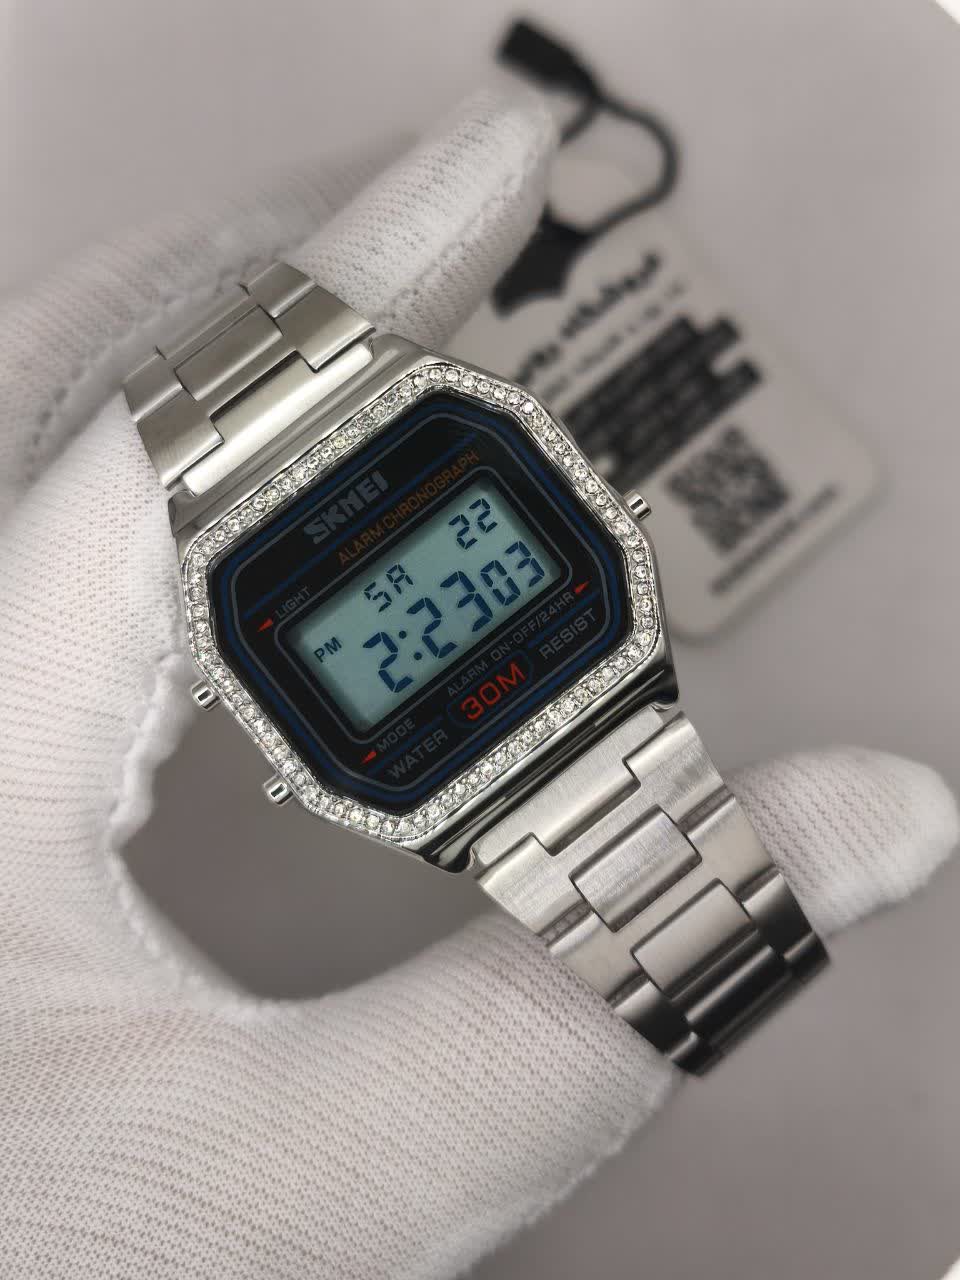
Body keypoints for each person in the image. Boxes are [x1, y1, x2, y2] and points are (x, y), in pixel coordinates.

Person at [0, 89, 955, 1279]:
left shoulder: (351, 558)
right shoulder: (256, 617)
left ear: (598, 516)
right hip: (518, 764)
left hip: (603, 698)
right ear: (302, 756)